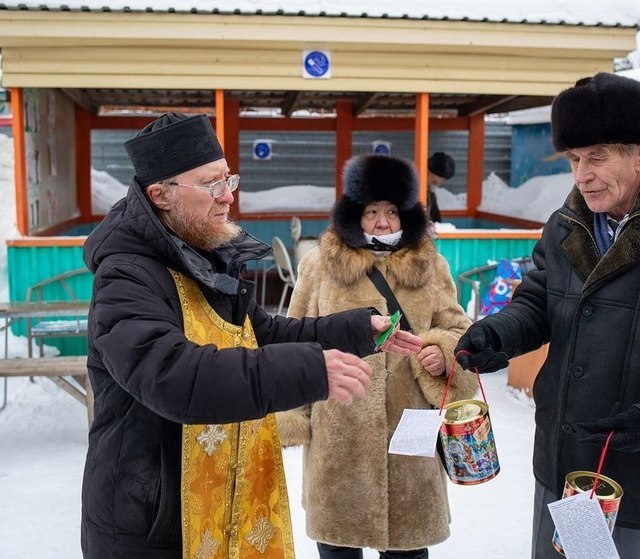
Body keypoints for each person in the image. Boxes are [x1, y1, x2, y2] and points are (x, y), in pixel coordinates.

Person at [80, 112, 422, 559]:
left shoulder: (202, 255)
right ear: (160, 195)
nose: (227, 198)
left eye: (229, 180)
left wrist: (354, 330)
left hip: (226, 502)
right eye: (210, 184)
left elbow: (263, 333)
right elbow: (173, 375)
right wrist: (307, 371)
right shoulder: (126, 277)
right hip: (153, 525)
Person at [454, 73, 640, 559]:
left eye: (597, 156)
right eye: (573, 159)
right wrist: (495, 336)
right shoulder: (565, 224)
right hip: (560, 461)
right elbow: (536, 305)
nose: (582, 175)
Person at [277, 153, 478, 559]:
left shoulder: (431, 265)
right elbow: (291, 338)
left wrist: (443, 353)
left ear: (407, 214)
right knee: (337, 543)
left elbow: (461, 331)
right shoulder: (318, 265)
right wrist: (293, 412)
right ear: (354, 213)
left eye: (391, 211)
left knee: (407, 544)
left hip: (412, 425)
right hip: (338, 428)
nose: (382, 222)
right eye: (371, 212)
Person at [426, 151, 455, 223]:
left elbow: (436, 220)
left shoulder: (431, 194)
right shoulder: (412, 191)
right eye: (442, 180)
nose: (441, 183)